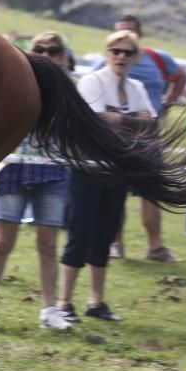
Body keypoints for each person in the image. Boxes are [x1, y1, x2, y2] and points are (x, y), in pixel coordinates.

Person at [0, 32, 74, 331]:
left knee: (48, 245)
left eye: (53, 50)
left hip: (53, 172)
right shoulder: (16, 81)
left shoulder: (69, 90)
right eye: (39, 49)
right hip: (14, 169)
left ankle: (50, 310)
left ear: (62, 56)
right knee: (2, 241)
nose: (46, 54)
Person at [58, 30, 156, 323]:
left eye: (127, 52)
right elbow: (96, 122)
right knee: (80, 234)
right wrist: (131, 121)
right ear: (107, 54)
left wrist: (119, 119)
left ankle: (95, 301)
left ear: (135, 56)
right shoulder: (93, 81)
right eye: (116, 51)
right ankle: (64, 302)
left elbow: (152, 126)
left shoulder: (137, 86)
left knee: (105, 234)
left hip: (118, 170)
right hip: (87, 169)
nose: (121, 57)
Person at [100, 14, 185, 263]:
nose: (122, 48)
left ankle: (155, 247)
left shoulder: (158, 58)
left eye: (129, 32)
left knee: (151, 192)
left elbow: (180, 76)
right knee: (116, 191)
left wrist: (168, 102)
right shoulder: (108, 61)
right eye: (118, 32)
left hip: (149, 137)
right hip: (116, 138)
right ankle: (115, 244)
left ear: (140, 36)